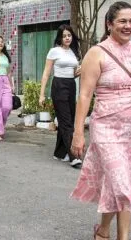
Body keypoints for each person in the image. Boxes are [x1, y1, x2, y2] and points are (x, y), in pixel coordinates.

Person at [70, 1, 131, 240]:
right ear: (109, 24)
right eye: (122, 21)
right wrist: (78, 132)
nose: (128, 26)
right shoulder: (96, 53)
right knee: (120, 182)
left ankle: (109, 232)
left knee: (127, 184)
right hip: (106, 127)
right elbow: (85, 95)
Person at [39, 24, 83, 168]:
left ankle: (59, 152)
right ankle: (73, 155)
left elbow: (74, 73)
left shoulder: (73, 52)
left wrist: (82, 70)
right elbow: (46, 73)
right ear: (60, 37)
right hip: (59, 86)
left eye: (69, 35)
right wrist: (42, 95)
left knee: (68, 118)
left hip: (71, 86)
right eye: (64, 36)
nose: (67, 38)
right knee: (66, 121)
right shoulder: (54, 51)